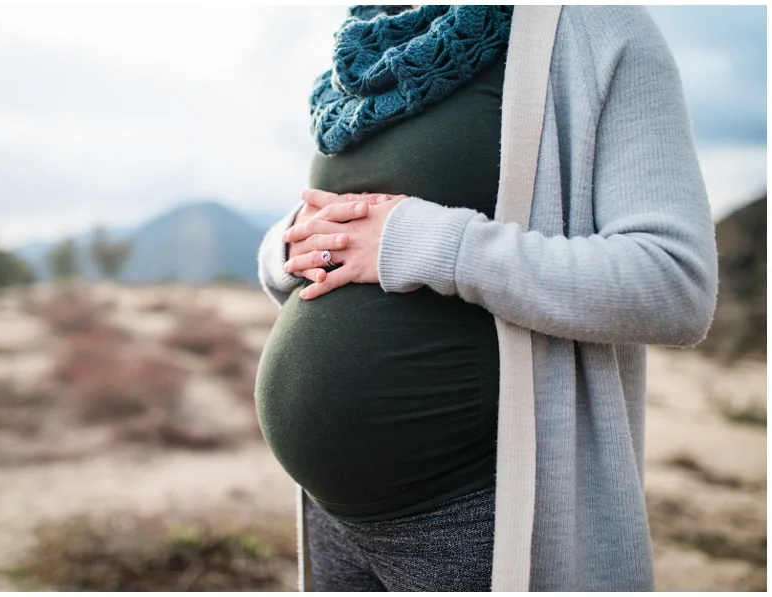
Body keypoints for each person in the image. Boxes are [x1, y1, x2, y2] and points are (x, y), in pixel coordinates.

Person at [255, 5, 718, 592]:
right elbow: (344, 229)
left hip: (473, 506)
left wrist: (424, 241)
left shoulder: (596, 25)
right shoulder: (365, 50)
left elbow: (673, 283)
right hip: (335, 519)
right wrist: (292, 243)